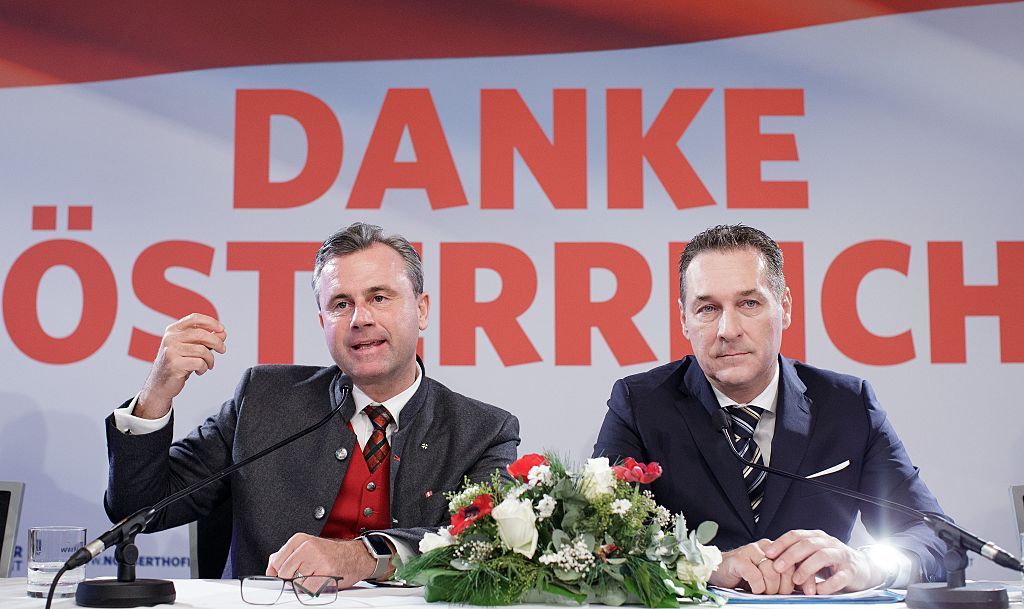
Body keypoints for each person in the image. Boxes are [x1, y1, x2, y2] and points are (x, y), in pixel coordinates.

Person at [105, 222, 520, 584]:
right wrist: (156, 392)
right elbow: (139, 508)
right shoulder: (264, 399)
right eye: (341, 304)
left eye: (379, 297)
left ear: (422, 310)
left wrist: (366, 556)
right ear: (323, 322)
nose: (360, 319)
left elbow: (487, 543)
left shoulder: (482, 430)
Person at [593, 224, 946, 595]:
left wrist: (870, 564)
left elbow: (933, 536)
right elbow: (600, 539)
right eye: (708, 308)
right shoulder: (641, 404)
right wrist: (708, 564)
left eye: (749, 304)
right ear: (684, 319)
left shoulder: (847, 404)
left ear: (785, 308)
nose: (728, 330)